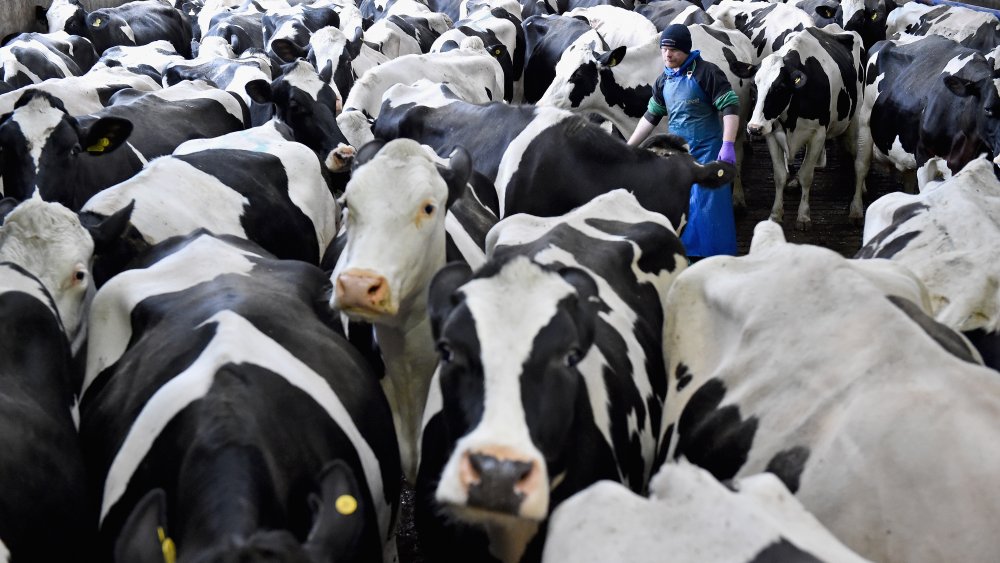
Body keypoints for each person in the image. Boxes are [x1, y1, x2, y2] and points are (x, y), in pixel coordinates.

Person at [627, 24, 740, 260]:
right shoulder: (662, 81)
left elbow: (730, 106)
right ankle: (684, 256)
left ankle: (715, 258)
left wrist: (727, 144)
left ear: (686, 50)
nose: (668, 54)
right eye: (664, 49)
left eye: (674, 50)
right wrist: (628, 148)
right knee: (682, 206)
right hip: (678, 155)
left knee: (709, 207)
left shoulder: (707, 72)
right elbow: (651, 117)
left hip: (709, 152)